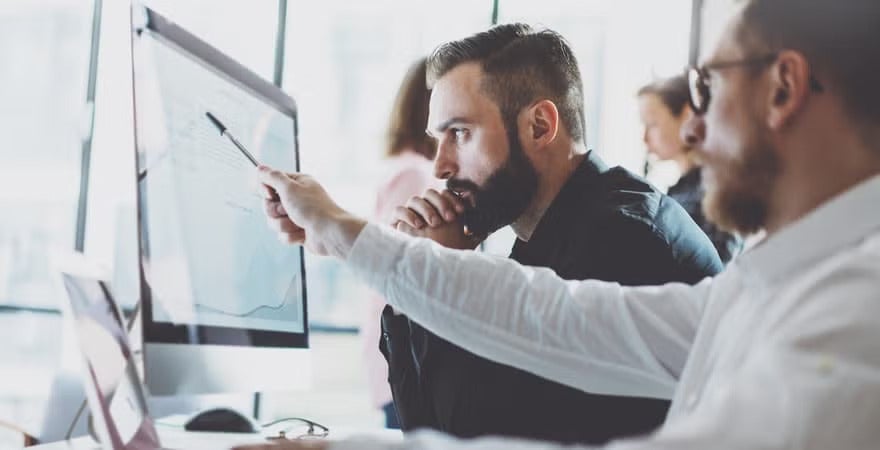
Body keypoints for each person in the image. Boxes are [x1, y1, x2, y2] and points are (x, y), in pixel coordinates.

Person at [242, 0, 880, 448]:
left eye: (706, 88)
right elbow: (555, 317)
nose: (688, 130)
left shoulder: (854, 314)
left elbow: (486, 415)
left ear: (785, 87)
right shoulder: (772, 286)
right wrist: (348, 236)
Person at [378, 24, 722, 445]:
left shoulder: (623, 242)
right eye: (438, 139)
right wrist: (411, 291)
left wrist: (447, 274)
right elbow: (424, 429)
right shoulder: (546, 234)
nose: (441, 167)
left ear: (540, 126)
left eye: (461, 133)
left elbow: (475, 435)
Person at [360, 57, 437, 429]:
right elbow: (396, 262)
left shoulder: (403, 167)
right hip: (405, 353)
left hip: (394, 350)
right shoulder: (416, 174)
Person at [638, 75, 743, 263]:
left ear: (687, 115)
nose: (644, 138)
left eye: (652, 124)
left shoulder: (713, 195)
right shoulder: (682, 191)